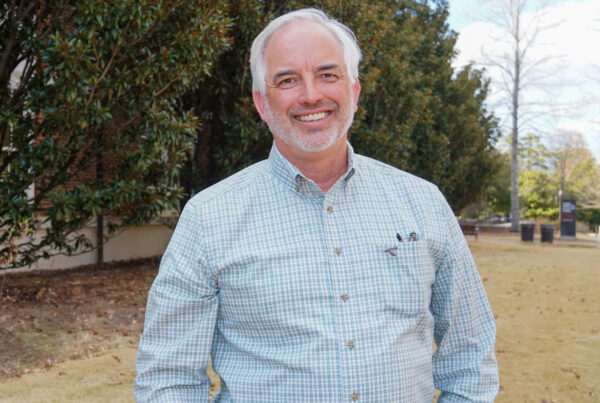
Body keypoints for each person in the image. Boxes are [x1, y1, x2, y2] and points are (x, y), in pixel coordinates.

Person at [134, 8, 499, 402]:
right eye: (288, 80)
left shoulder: (422, 202)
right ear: (262, 103)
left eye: (328, 74)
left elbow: (470, 351)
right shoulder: (209, 218)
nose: (311, 94)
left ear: (354, 91)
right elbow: (168, 378)